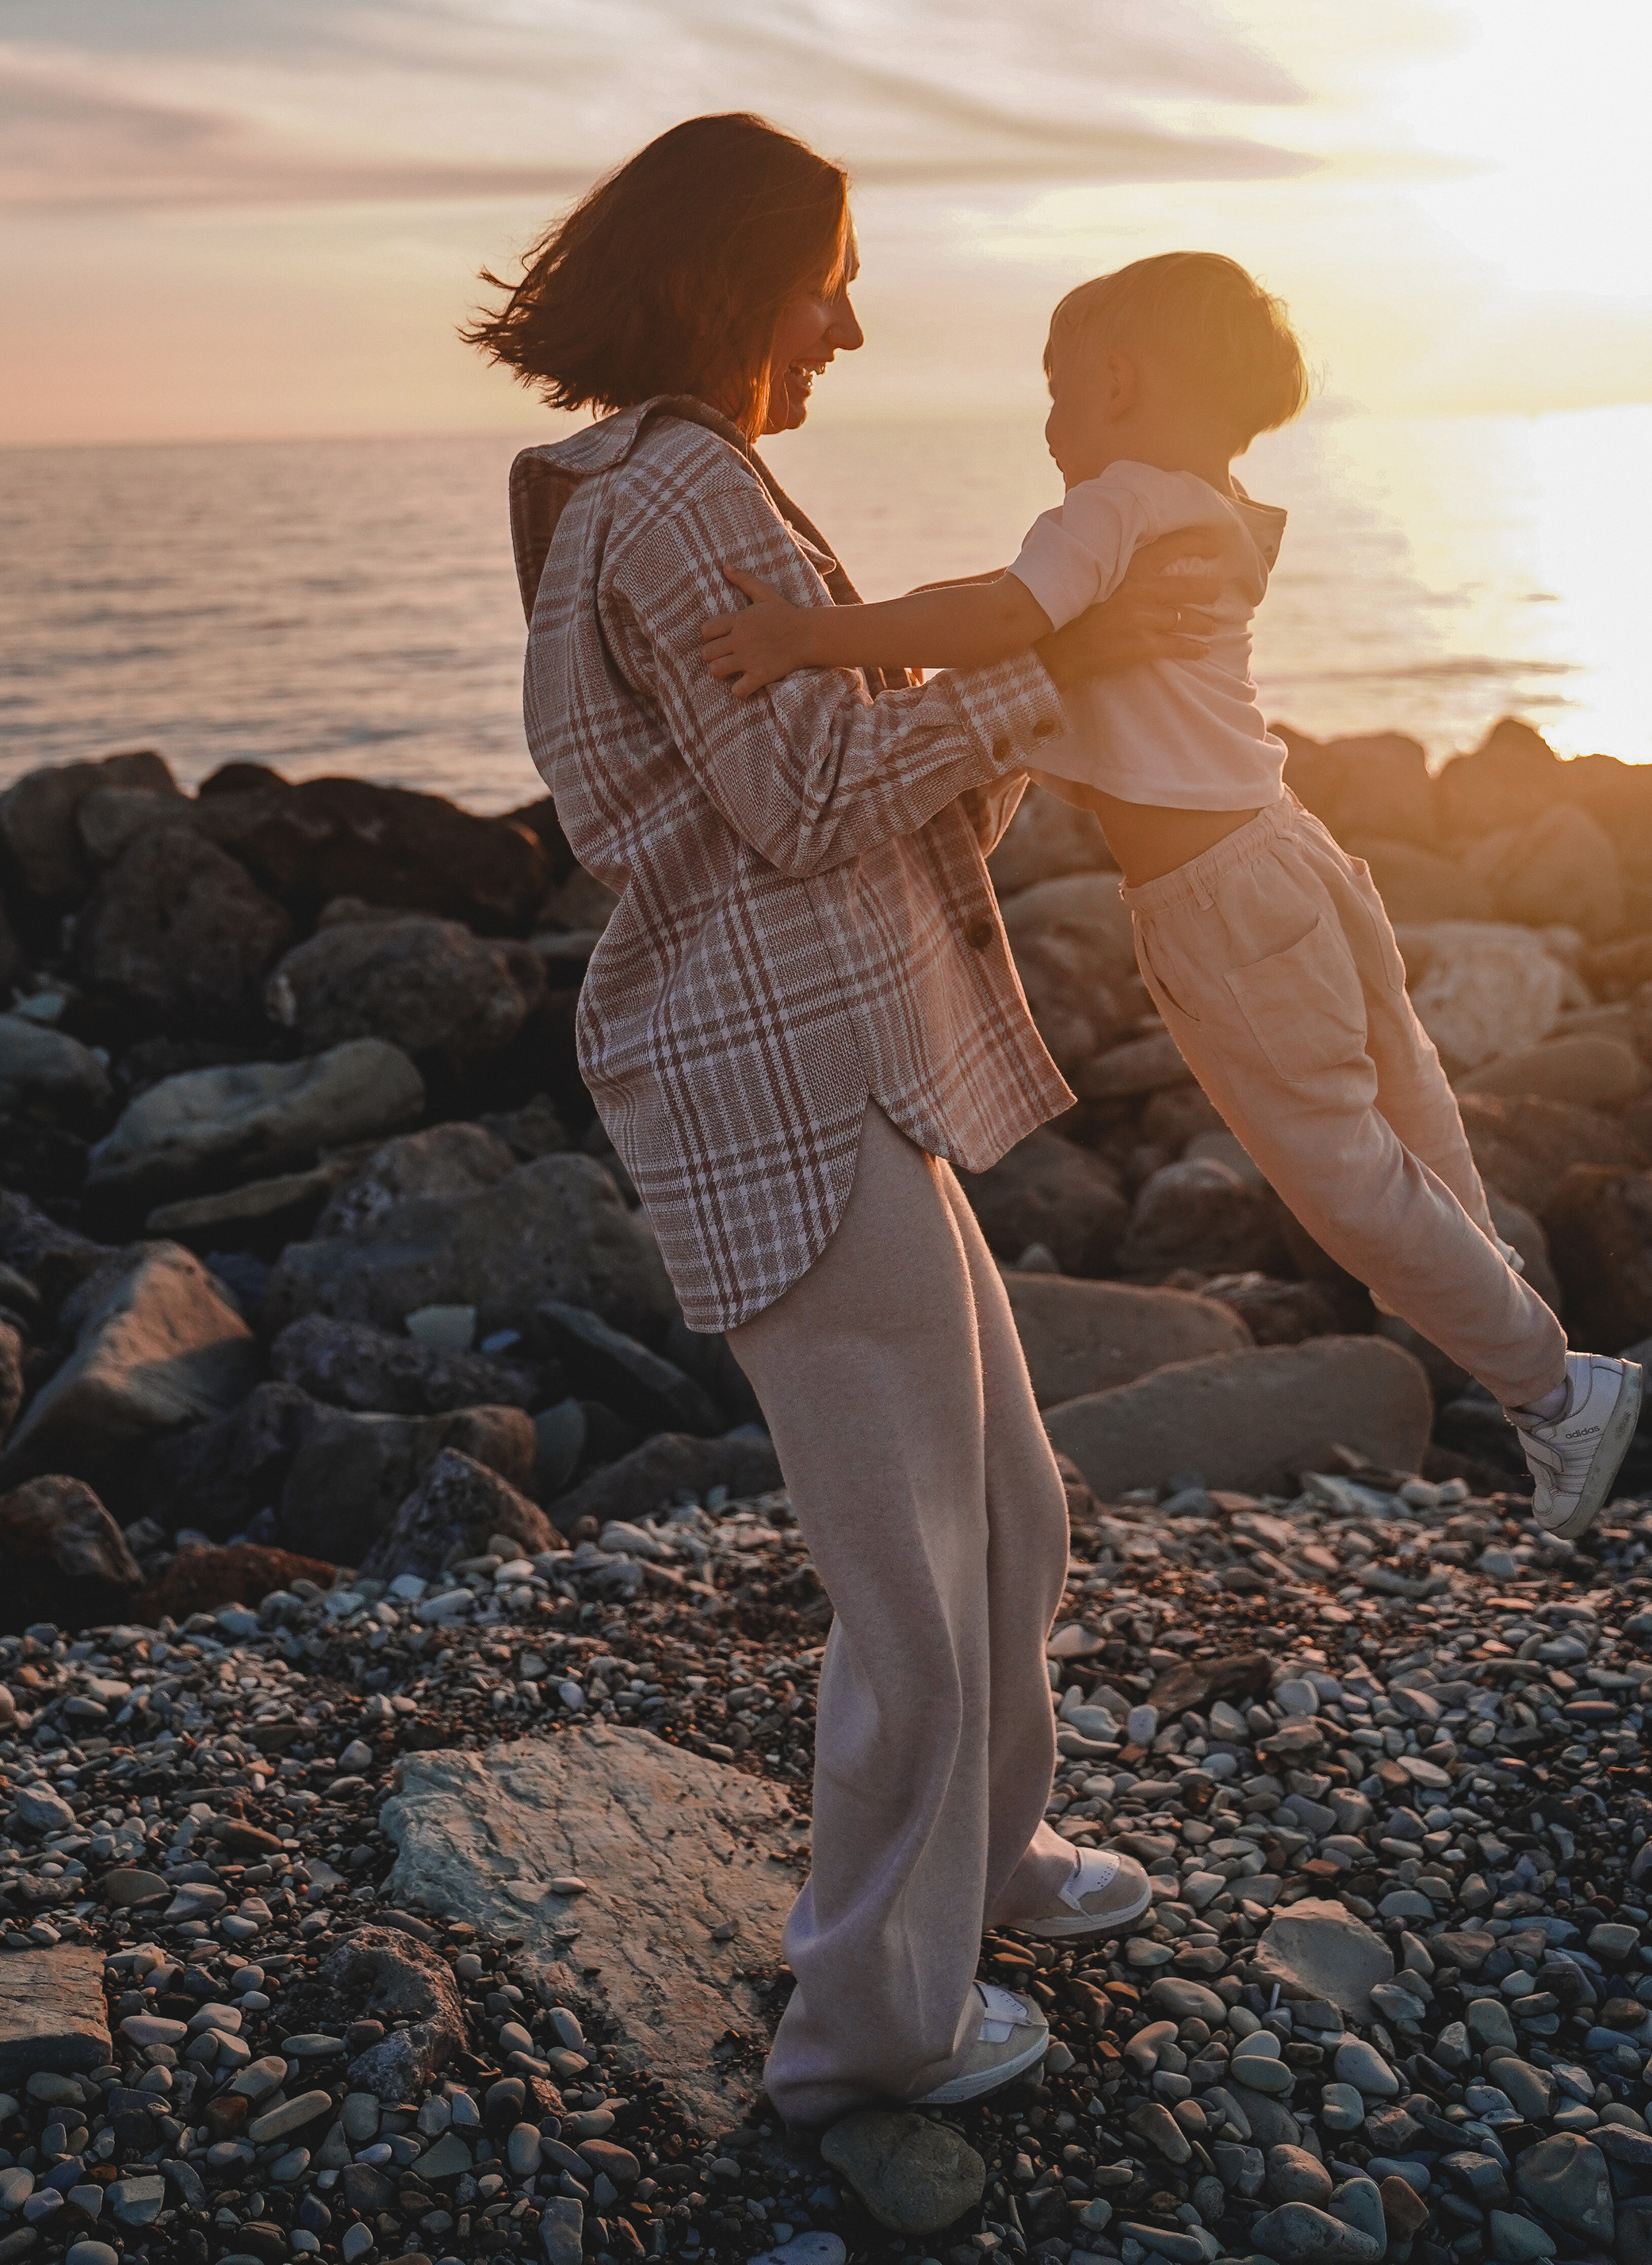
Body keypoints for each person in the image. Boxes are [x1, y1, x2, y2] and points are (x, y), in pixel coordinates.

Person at [467, 113, 1232, 2133]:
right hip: (773, 1079)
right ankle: (870, 2028)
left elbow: (844, 771)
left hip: (832, 1063)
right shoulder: (683, 496)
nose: (852, 322)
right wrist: (1055, 667)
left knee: (1008, 1513)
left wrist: (1005, 685)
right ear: (733, 279)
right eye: (829, 275)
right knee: (909, 1581)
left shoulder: (684, 487)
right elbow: (807, 799)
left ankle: (979, 1865)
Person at [701, 247, 1643, 1539]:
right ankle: (1525, 1347)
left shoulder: (1116, 502)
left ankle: (1553, 1386)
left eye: (1054, 393)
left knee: (1346, 1182)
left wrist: (805, 636)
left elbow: (994, 617)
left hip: (1218, 898)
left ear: (1117, 380)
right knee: (1413, 1117)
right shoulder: (1214, 507)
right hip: (1293, 846)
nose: (1046, 428)